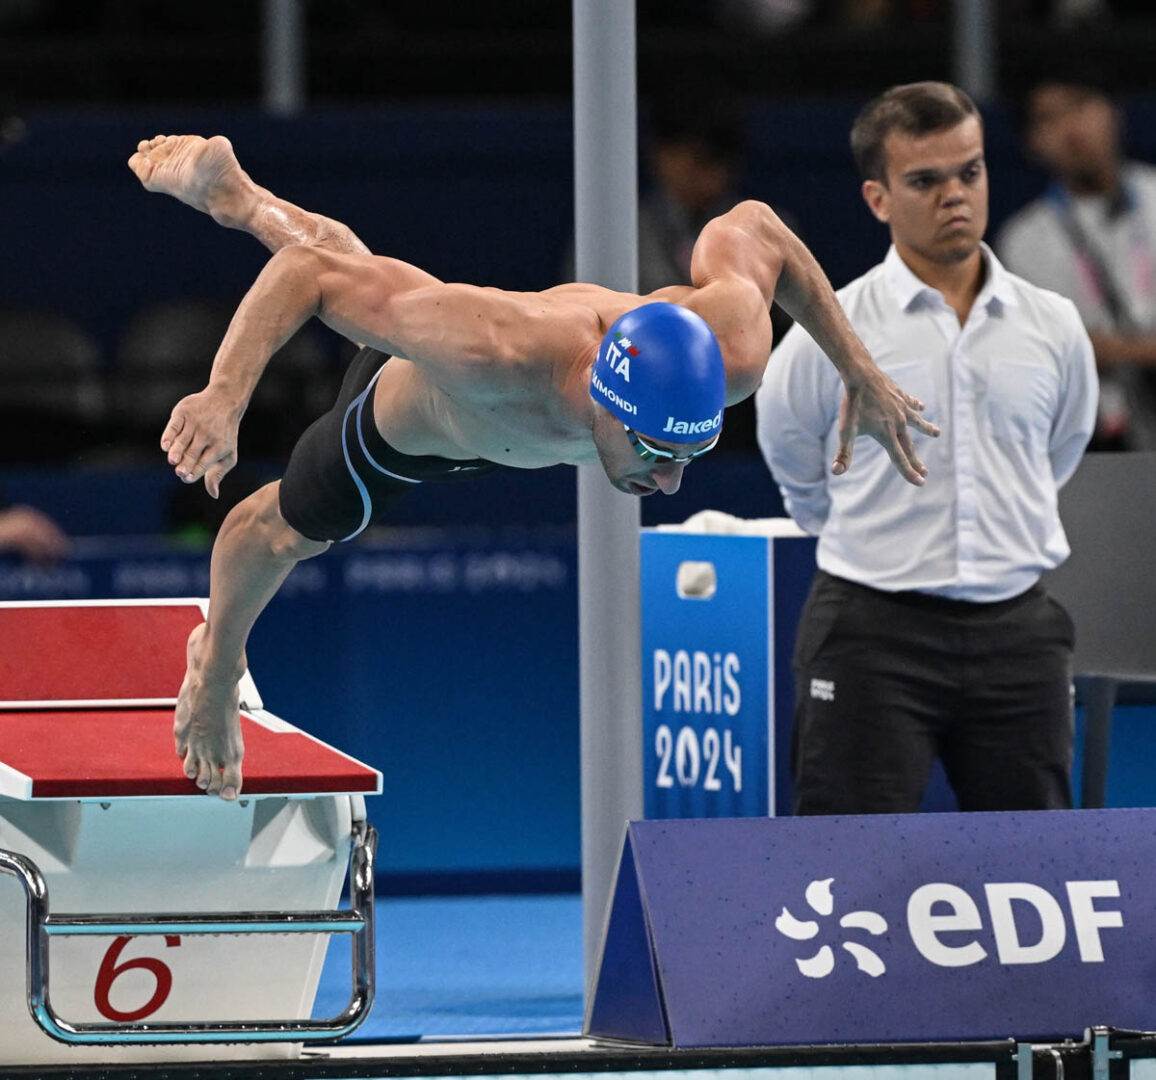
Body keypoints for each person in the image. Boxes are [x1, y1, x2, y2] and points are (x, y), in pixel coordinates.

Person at [128, 132, 937, 800]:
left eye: (688, 454)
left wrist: (857, 369)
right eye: (655, 453)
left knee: (384, 288)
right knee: (274, 531)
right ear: (606, 403)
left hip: (514, 419)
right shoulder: (491, 347)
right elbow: (307, 274)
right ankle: (218, 662)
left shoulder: (728, 351)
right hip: (427, 425)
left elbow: (756, 227)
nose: (668, 483)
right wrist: (223, 396)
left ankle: (242, 199)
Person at [756, 82, 1098, 815]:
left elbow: (1057, 455)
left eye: (969, 171)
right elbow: (791, 461)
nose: (955, 195)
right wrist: (866, 540)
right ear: (878, 198)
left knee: (1031, 882)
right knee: (845, 877)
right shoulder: (831, 327)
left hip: (1021, 634)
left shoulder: (1055, 325)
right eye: (926, 180)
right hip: (871, 637)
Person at [997, 73, 1156, 450]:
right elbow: (1053, 350)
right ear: (1031, 143)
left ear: (1113, 112)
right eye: (1050, 118)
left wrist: (1110, 348)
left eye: (1081, 105)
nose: (1072, 128)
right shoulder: (1024, 239)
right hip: (1097, 438)